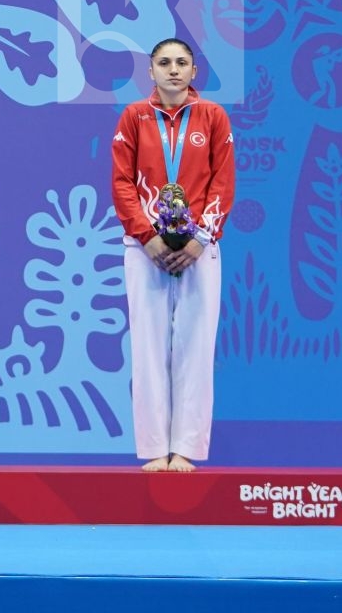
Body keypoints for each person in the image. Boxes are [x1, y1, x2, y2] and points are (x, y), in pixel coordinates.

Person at [110, 38, 235, 472]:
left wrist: (201, 238)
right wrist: (147, 237)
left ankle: (186, 449)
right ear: (151, 72)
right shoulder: (134, 117)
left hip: (201, 249)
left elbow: (223, 180)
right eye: (164, 63)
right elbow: (122, 182)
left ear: (195, 71)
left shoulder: (213, 116)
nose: (174, 70)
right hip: (145, 249)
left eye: (182, 63)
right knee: (147, 348)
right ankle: (152, 449)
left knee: (195, 349)